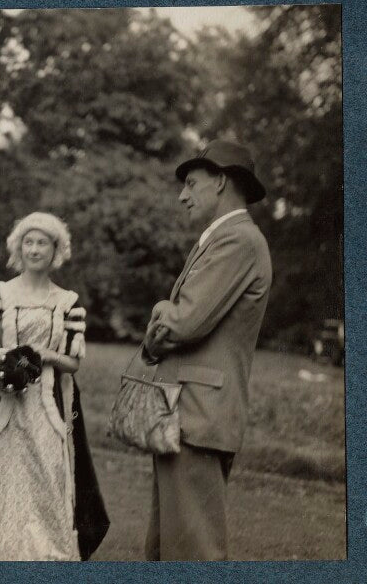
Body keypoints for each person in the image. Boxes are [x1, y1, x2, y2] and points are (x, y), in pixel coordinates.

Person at [0, 212, 109, 561]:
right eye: (28, 242)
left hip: (47, 413)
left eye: (42, 243)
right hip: (5, 409)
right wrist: (5, 363)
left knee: (49, 482)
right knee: (4, 489)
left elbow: (74, 362)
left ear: (56, 250)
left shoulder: (68, 302)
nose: (34, 250)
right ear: (18, 248)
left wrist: (45, 355)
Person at [142, 139, 272, 560]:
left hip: (197, 415)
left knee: (193, 554)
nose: (182, 195)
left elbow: (184, 323)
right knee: (165, 550)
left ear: (219, 182)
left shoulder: (238, 240)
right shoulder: (220, 239)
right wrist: (167, 321)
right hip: (184, 414)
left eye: (191, 183)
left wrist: (162, 308)